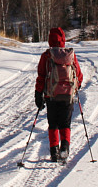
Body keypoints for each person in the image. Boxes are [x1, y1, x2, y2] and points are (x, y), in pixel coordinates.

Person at [34, 27, 84, 163]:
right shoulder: (70, 55)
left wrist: (38, 94)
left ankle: (54, 151)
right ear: (63, 40)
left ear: (50, 40)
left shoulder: (46, 56)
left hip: (51, 96)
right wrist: (76, 87)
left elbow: (41, 77)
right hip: (67, 96)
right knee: (65, 123)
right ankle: (65, 148)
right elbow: (78, 75)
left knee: (53, 124)